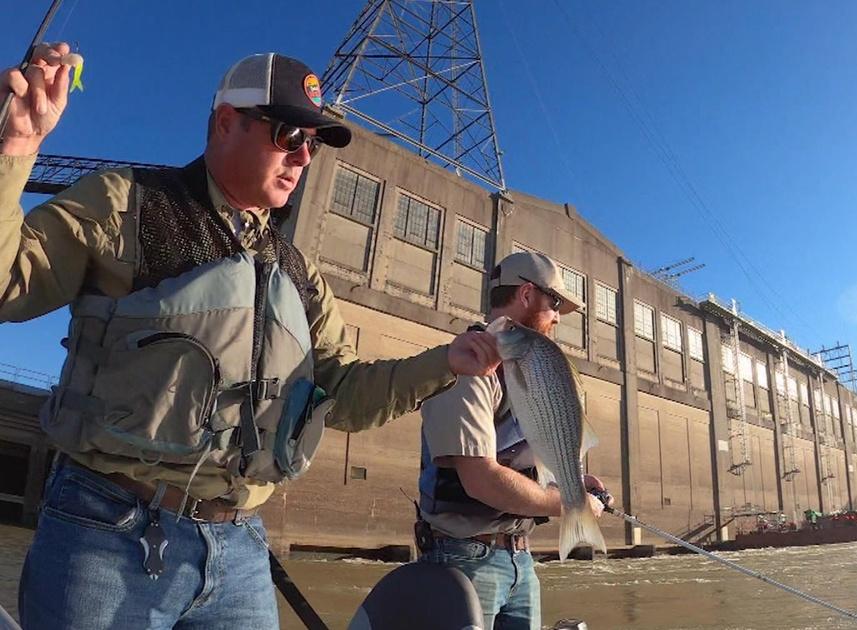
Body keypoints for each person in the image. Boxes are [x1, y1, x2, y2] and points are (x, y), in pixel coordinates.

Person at [2, 45, 500, 629]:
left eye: (313, 144)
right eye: (290, 134)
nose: (303, 157)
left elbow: (343, 392)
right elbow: (10, 285)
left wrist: (448, 361)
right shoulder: (125, 203)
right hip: (105, 532)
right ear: (225, 122)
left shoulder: (299, 273)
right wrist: (15, 150)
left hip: (239, 550)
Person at [415, 251, 610, 630]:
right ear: (525, 294)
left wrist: (572, 480)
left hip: (521, 559)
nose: (557, 317)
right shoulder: (465, 366)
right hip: (463, 560)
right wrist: (569, 502)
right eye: (554, 303)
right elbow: (481, 479)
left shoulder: (526, 370)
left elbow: (521, 457)